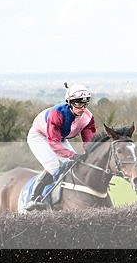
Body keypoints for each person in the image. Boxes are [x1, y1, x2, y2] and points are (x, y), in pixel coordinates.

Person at [24, 82, 97, 211]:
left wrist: (91, 155)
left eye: (85, 103)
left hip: (59, 138)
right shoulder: (57, 114)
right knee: (53, 166)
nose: (83, 108)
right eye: (78, 103)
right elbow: (54, 143)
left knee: (73, 166)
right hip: (39, 136)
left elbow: (89, 142)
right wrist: (73, 155)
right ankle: (34, 198)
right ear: (69, 102)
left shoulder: (88, 117)